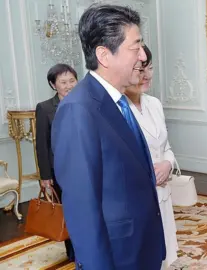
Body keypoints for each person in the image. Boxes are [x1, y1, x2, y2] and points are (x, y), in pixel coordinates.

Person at [51, 4, 166, 269]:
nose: (142, 56)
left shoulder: (117, 101)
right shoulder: (78, 110)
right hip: (116, 255)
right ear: (104, 54)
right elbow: (83, 209)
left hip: (139, 247)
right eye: (135, 47)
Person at [125, 45, 179, 269]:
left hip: (163, 195)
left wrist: (168, 163)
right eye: (140, 68)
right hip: (138, 199)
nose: (146, 74)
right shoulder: (119, 109)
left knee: (165, 256)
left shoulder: (154, 104)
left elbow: (166, 146)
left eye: (150, 68)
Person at [35, 63, 78, 262]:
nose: (69, 86)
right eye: (63, 82)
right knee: (68, 212)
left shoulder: (83, 103)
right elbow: (41, 145)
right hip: (59, 170)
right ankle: (73, 251)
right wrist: (45, 177)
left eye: (72, 80)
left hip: (83, 167)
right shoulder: (44, 109)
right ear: (53, 85)